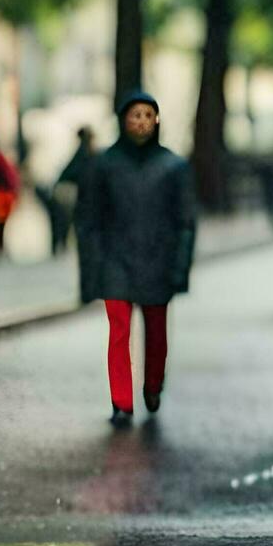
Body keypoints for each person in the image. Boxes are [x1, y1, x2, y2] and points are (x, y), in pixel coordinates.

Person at [76, 91, 196, 427]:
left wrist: (180, 268)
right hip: (116, 261)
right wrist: (92, 269)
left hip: (159, 260)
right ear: (123, 120)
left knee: (156, 332)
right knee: (119, 330)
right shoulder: (104, 165)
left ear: (156, 120)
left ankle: (153, 385)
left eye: (148, 115)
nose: (141, 122)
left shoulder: (174, 166)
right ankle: (121, 402)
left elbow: (186, 222)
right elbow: (88, 219)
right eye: (135, 115)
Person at [40, 126, 94, 255]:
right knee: (66, 220)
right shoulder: (85, 153)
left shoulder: (81, 153)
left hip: (65, 190)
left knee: (62, 221)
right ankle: (61, 245)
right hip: (69, 192)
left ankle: (60, 245)